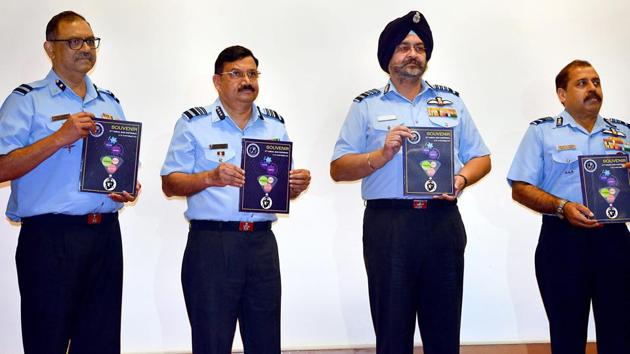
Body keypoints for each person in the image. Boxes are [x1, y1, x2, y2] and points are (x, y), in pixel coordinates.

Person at [330, 10, 491, 354]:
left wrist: (461, 178)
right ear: (388, 57)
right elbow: (339, 168)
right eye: (404, 47)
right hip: (389, 225)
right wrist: (381, 155)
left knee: (443, 331)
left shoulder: (451, 102)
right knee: (392, 331)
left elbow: (482, 158)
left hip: (441, 222)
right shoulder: (366, 107)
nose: (413, 54)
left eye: (419, 47)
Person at [0, 10, 139, 354]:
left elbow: (118, 163)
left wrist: (125, 187)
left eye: (91, 41)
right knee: (47, 340)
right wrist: (60, 137)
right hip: (50, 239)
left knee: (101, 342)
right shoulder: (26, 100)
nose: (86, 48)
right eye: (74, 41)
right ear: (50, 48)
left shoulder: (110, 103)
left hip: (105, 235)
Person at [161, 45, 311, 354]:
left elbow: (277, 188)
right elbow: (169, 183)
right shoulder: (193, 124)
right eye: (237, 74)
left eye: (253, 74)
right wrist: (209, 177)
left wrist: (295, 186)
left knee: (266, 342)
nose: (247, 80)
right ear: (217, 81)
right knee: (212, 343)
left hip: (261, 246)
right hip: (213, 246)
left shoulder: (274, 125)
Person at [508, 60, 630, 354]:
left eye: (596, 82)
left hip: (614, 241)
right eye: (582, 83)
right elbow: (520, 188)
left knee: (621, 336)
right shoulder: (542, 133)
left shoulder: (624, 133)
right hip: (562, 241)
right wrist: (562, 206)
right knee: (567, 337)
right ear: (562, 94)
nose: (592, 89)